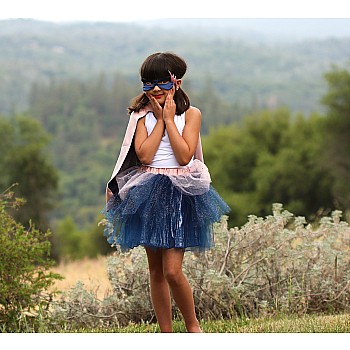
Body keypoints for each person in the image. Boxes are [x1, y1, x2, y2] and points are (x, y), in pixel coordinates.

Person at [101, 52, 230, 333]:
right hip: (149, 192)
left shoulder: (191, 114)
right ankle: (166, 332)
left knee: (173, 270)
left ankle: (193, 326)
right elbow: (145, 155)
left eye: (162, 82)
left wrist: (171, 120)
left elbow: (184, 156)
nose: (155, 89)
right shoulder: (141, 117)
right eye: (148, 83)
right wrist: (159, 119)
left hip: (180, 192)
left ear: (177, 82)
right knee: (156, 270)